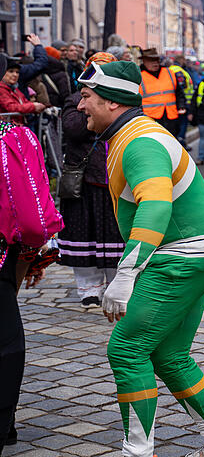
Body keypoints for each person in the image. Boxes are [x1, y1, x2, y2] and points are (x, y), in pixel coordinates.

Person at [75, 59, 204, 457]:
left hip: (184, 254)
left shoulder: (139, 141)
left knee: (127, 349)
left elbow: (155, 207)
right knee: (169, 355)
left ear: (112, 103)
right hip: (198, 251)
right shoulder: (134, 133)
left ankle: (138, 452)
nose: (80, 106)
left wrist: (126, 274)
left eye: (86, 97)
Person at [0, 59, 64, 454]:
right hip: (6, 255)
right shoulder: (14, 139)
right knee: (6, 340)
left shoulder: (14, 137)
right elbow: (33, 219)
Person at [57, 52, 126, 307]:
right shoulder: (76, 99)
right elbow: (74, 128)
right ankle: (89, 288)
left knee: (114, 235)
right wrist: (97, 116)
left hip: (115, 177)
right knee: (84, 234)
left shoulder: (120, 101)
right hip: (86, 179)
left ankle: (114, 285)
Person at [138, 48, 186, 137]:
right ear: (144, 61)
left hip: (171, 117)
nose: (155, 63)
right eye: (152, 60)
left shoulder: (169, 72)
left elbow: (179, 92)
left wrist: (181, 105)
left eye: (157, 60)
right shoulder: (139, 76)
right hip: (150, 119)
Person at [0, 56, 47, 124]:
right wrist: (33, 107)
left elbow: (25, 102)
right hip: (7, 128)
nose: (15, 75)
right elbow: (11, 107)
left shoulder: (14, 89)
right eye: (11, 71)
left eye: (17, 72)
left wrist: (39, 106)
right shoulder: (1, 89)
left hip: (16, 126)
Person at [168, 59, 195, 149]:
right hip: (182, 103)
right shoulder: (179, 71)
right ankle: (180, 142)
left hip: (173, 103)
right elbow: (181, 87)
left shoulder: (168, 71)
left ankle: (180, 143)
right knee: (182, 124)